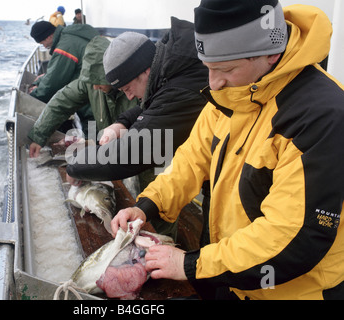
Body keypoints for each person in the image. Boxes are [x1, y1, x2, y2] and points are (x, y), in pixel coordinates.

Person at [111, 0, 344, 300]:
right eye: (207, 68)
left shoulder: (322, 115)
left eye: (227, 69)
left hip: (295, 291)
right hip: (233, 278)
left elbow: (295, 235)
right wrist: (146, 206)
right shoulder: (233, 94)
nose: (214, 83)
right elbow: (192, 160)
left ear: (271, 53)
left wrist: (192, 265)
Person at [65, 17, 209, 238]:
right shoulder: (170, 69)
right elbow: (151, 105)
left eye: (128, 88)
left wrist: (74, 166)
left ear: (145, 71)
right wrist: (121, 123)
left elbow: (129, 155)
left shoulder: (180, 88)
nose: (129, 96)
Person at [28, 36, 138, 158]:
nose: (95, 87)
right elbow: (61, 102)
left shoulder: (135, 87)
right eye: (92, 81)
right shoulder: (89, 84)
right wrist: (38, 136)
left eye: (99, 80)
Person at [29, 20, 99, 104]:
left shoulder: (64, 47)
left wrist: (35, 93)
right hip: (98, 86)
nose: (45, 46)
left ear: (48, 37)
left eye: (42, 43)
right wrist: (40, 80)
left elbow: (53, 82)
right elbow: (55, 72)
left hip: (92, 100)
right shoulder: (69, 35)